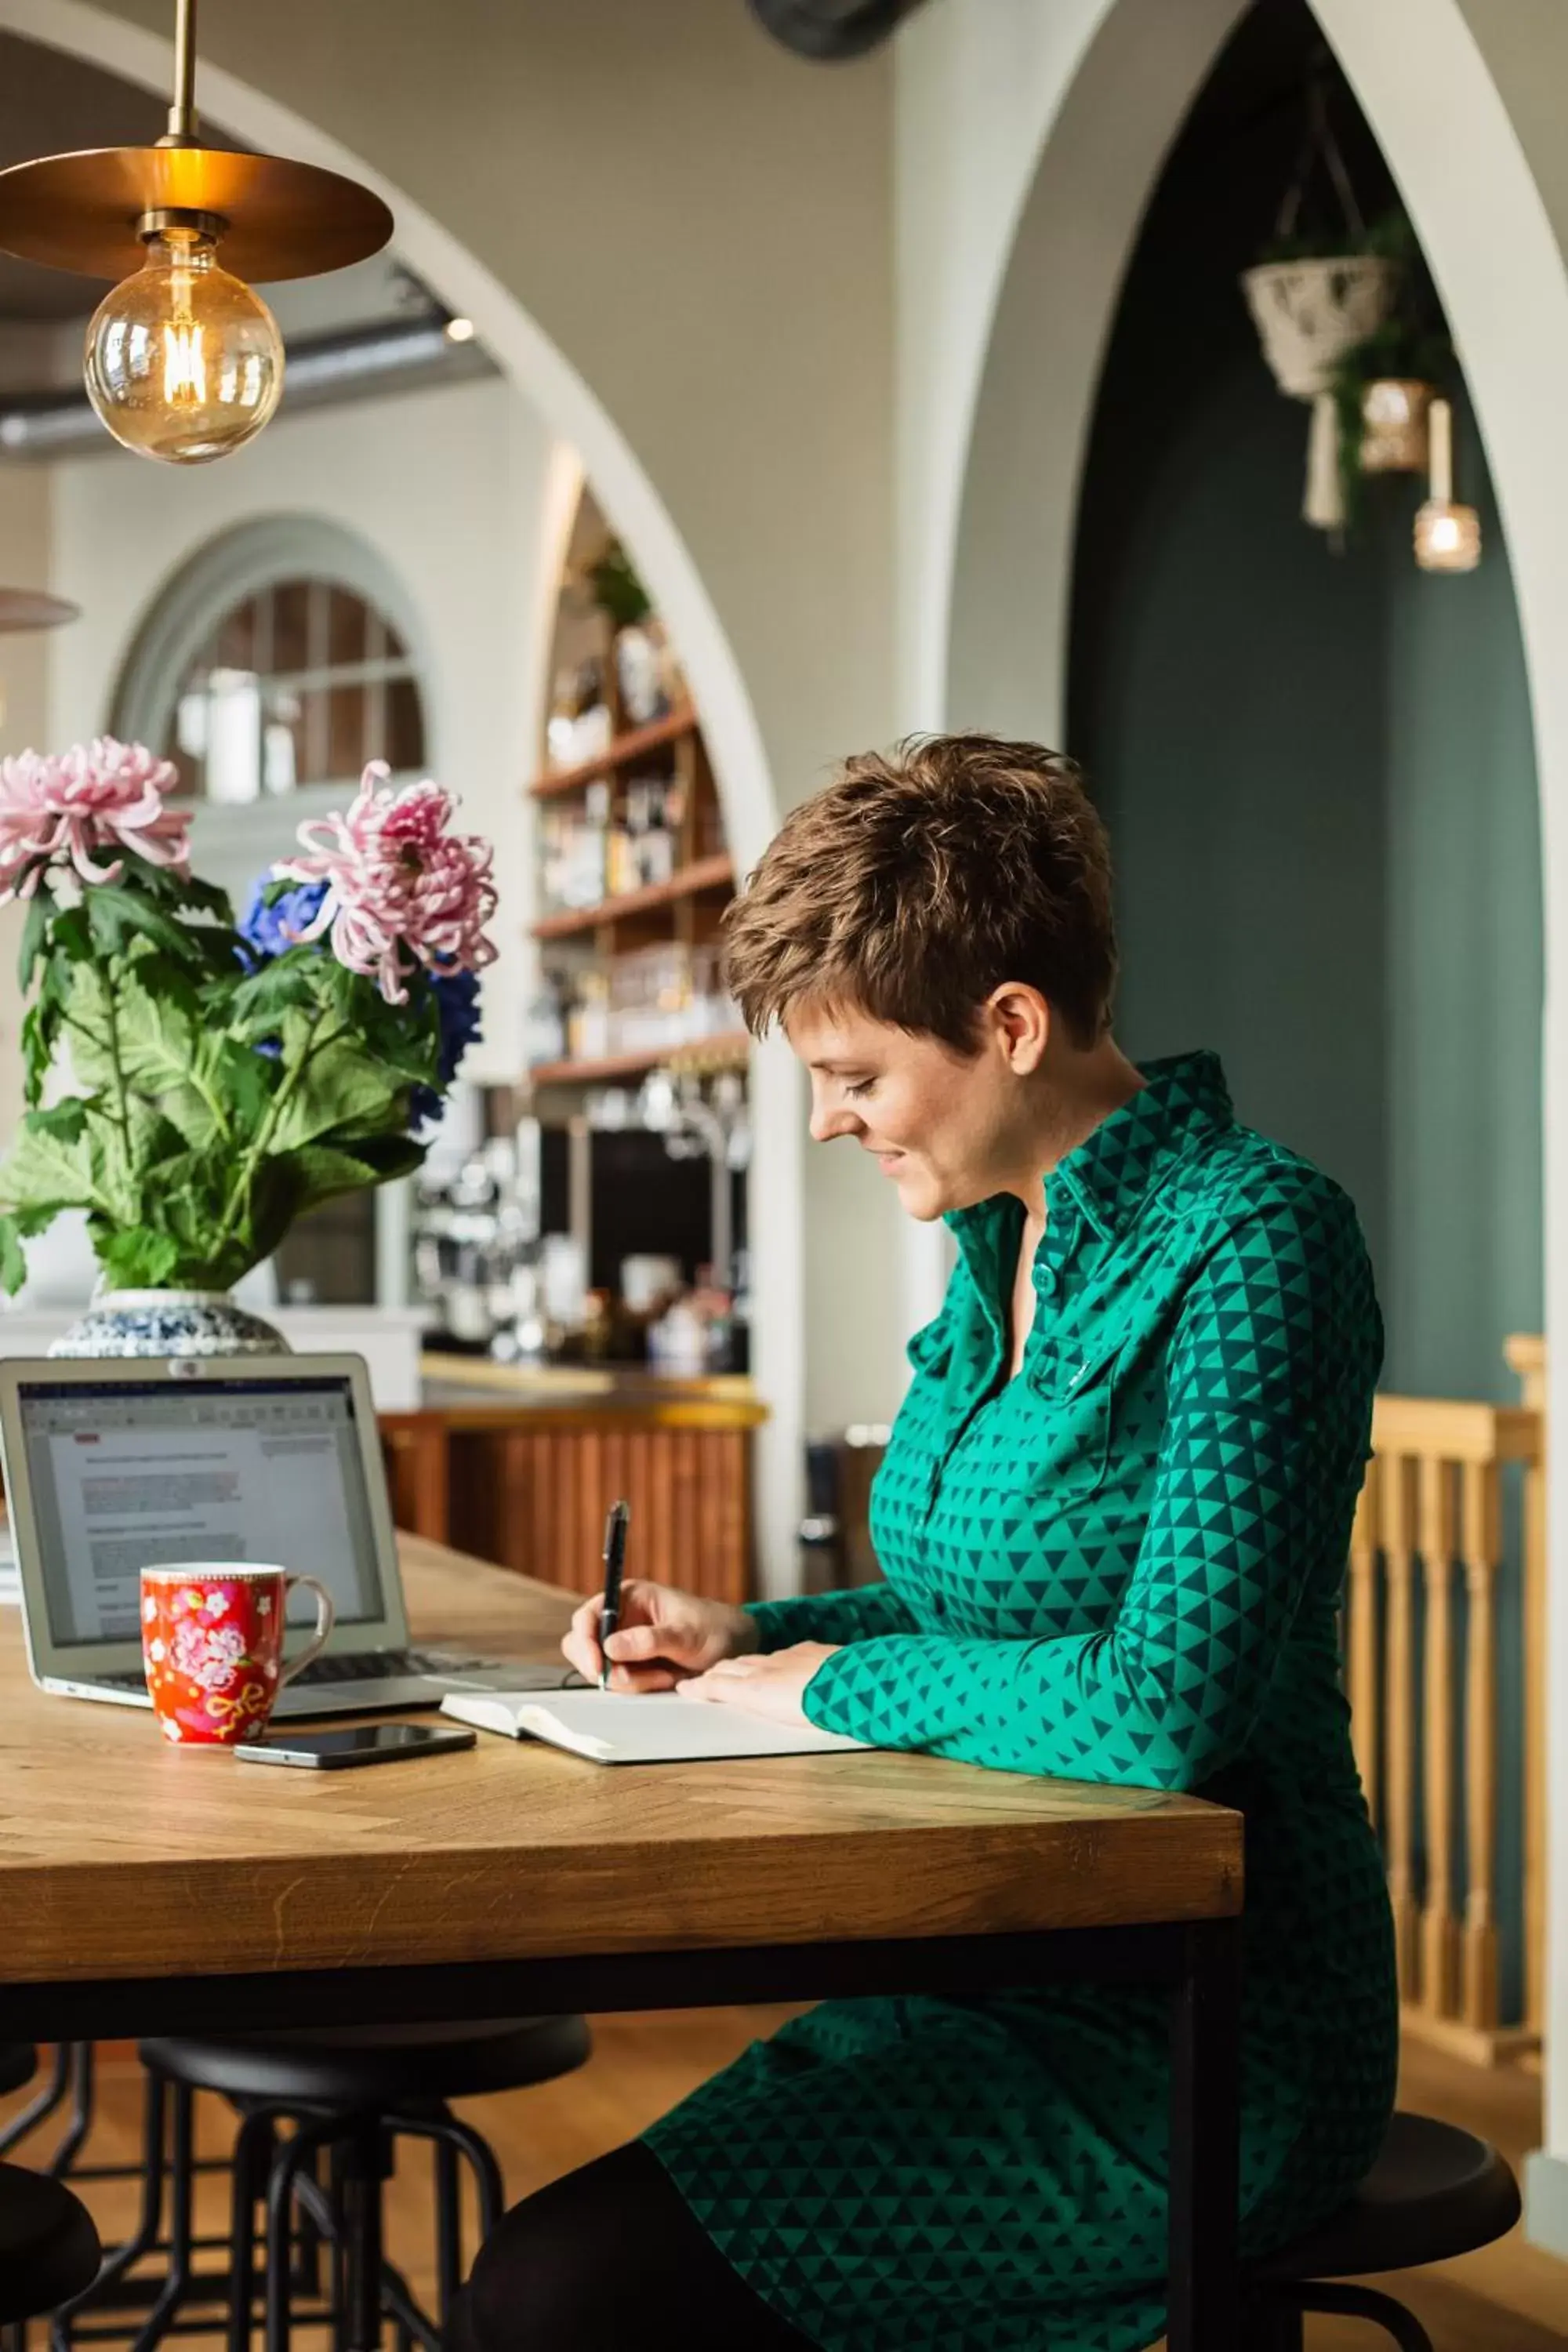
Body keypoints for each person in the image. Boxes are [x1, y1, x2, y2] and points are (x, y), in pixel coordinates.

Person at [457, 735, 1397, 2352]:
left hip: (1204, 2038)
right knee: (563, 2277)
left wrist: (828, 1691)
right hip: (982, 1966)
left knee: (562, 2295)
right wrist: (747, 1637)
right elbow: (986, 1603)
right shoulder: (990, 1244)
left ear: (1009, 1025)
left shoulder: (1256, 1240)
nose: (828, 1123)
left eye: (856, 1076)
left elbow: (1159, 1705)